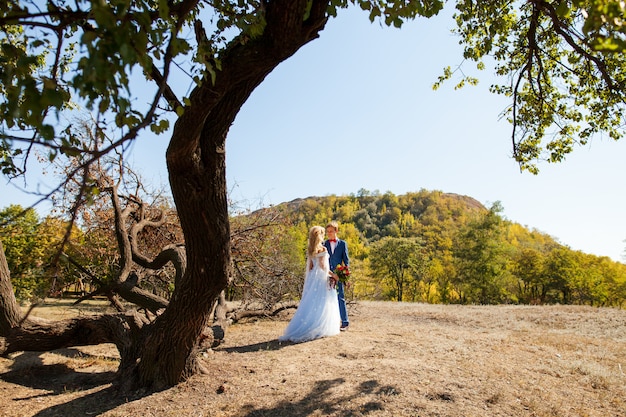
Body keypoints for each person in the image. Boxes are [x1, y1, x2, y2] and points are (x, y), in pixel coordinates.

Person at [279, 225, 341, 343]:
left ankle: (309, 324)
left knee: (312, 301)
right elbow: (323, 267)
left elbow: (311, 267)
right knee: (322, 301)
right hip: (321, 278)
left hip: (313, 278)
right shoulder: (323, 249)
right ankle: (319, 326)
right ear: (320, 236)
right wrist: (333, 275)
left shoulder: (310, 249)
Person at [323, 220, 350, 330]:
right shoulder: (323, 244)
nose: (329, 233)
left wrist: (346, 277)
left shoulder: (343, 244)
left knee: (340, 297)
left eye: (331, 231)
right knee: (326, 298)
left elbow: (346, 261)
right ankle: (328, 322)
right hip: (326, 274)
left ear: (336, 231)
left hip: (339, 275)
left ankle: (345, 322)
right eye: (327, 232)